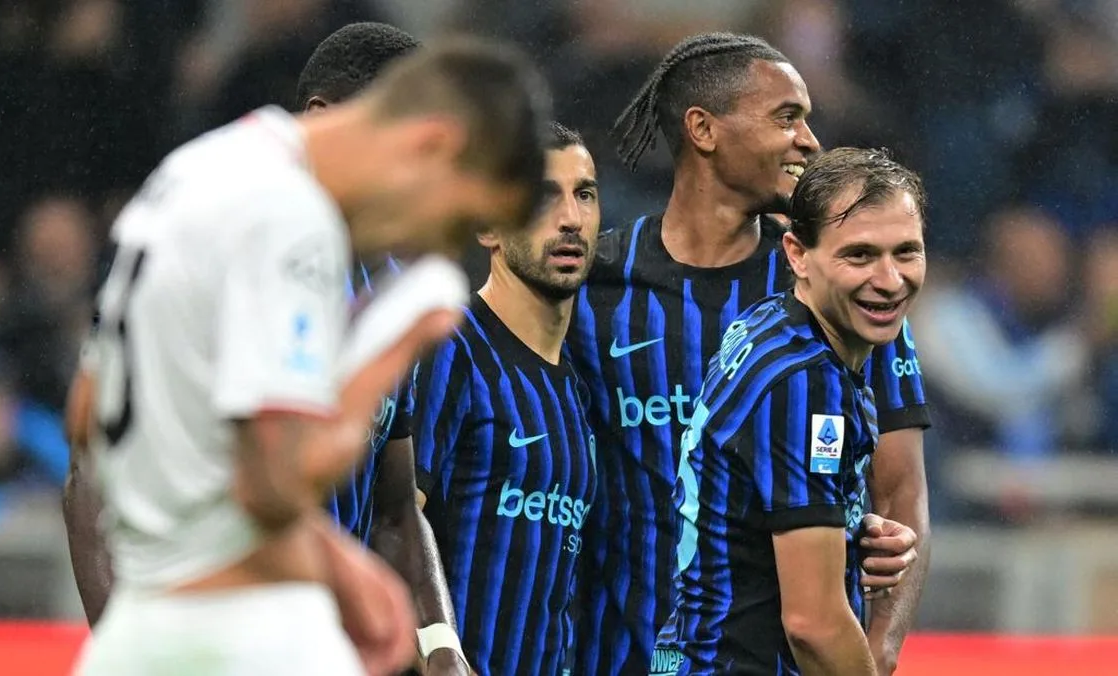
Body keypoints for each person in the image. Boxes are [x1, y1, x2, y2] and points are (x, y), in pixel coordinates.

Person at [70, 39, 552, 676]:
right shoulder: (291, 217)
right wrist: (395, 344)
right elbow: (273, 485)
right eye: (454, 222)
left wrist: (340, 562)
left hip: (145, 628)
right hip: (238, 635)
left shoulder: (197, 169)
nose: (436, 248)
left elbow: (85, 412)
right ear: (431, 145)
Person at [567, 33, 925, 675]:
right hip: (617, 654)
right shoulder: (592, 287)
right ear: (703, 129)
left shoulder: (843, 291)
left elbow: (899, 491)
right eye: (787, 117)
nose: (809, 141)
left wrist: (879, 648)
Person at [672, 147, 928, 674]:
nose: (890, 279)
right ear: (797, 255)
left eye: (906, 252)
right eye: (859, 255)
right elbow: (814, 626)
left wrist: (850, 529)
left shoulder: (777, 325)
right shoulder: (805, 381)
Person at [411, 123, 600, 675]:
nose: (571, 218)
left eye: (585, 194)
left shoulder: (577, 385)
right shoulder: (450, 349)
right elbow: (392, 521)